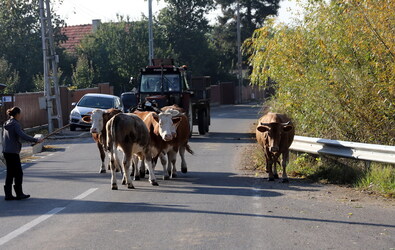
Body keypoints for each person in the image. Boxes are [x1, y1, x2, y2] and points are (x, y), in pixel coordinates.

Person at [2, 107, 43, 200]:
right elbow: (22, 135)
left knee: (10, 173)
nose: (21, 115)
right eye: (20, 113)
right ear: (17, 114)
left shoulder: (6, 123)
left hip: (6, 151)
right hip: (13, 152)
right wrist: (36, 139)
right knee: (18, 173)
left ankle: (8, 195)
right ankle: (19, 194)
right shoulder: (15, 124)